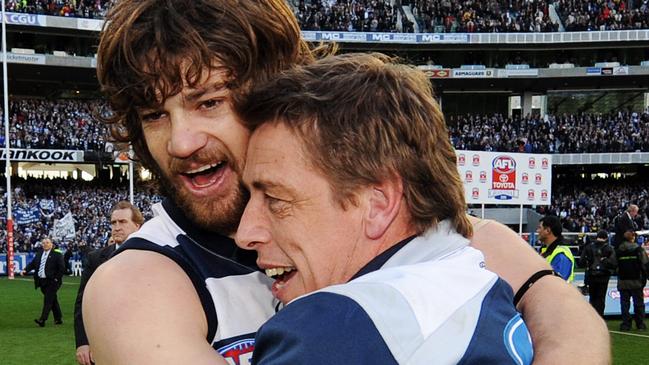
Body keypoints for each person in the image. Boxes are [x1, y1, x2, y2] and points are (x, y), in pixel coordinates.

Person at [84, 1, 608, 363]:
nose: (179, 142)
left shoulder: (417, 227)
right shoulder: (138, 284)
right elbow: (559, 311)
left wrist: (545, 302)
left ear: (274, 92)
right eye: (154, 115)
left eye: (209, 102)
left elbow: (571, 315)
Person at [235, 53, 534, 363]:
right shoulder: (476, 279)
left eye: (275, 200)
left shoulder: (342, 327)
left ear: (378, 204)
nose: (245, 234)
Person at [74, 201, 144, 365]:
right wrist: (82, 342)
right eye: (113, 222)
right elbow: (83, 303)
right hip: (104, 343)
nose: (117, 227)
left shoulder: (154, 255)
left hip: (142, 341)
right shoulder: (96, 258)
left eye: (123, 222)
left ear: (138, 226)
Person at [20, 237, 65, 327]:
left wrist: (56, 279)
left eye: (47, 242)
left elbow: (62, 268)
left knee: (48, 300)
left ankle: (42, 319)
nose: (45, 244)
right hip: (42, 281)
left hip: (53, 282)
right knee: (52, 300)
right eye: (43, 243)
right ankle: (58, 318)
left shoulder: (57, 255)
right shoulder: (39, 254)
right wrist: (25, 270)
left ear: (51, 244)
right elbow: (33, 264)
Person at [615, 230, 648, 331]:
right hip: (636, 281)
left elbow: (613, 264)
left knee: (624, 304)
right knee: (638, 304)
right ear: (633, 238)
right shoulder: (638, 250)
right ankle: (640, 324)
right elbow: (645, 264)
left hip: (623, 281)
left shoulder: (618, 251)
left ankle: (626, 324)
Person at [579, 230, 616, 317]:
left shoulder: (589, 247)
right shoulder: (609, 248)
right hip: (604, 277)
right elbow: (613, 264)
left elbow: (581, 262)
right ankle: (600, 318)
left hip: (591, 275)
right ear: (606, 238)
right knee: (601, 299)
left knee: (592, 298)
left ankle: (592, 318)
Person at [537, 215, 575, 282]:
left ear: (548, 230)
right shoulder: (545, 251)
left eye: (540, 228)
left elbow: (558, 283)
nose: (537, 231)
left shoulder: (561, 255)